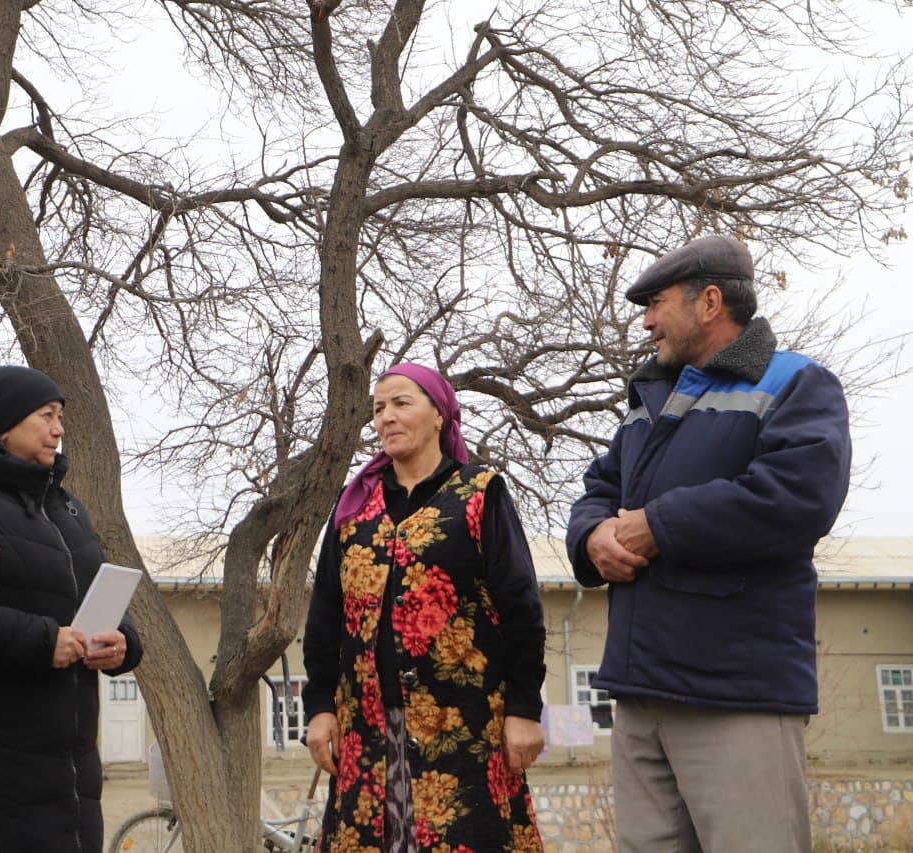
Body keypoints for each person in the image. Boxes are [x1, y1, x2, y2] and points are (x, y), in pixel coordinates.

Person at [566, 235, 852, 852]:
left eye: (656, 303)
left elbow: (797, 498)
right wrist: (591, 536)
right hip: (641, 693)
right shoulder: (648, 401)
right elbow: (599, 487)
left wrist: (657, 525)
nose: (645, 322)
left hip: (736, 694)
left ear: (710, 302)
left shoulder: (799, 382)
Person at [303, 363, 547, 852]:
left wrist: (524, 708)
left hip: (464, 732)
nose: (386, 417)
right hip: (365, 733)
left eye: (401, 403)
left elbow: (521, 610)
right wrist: (320, 707)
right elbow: (326, 615)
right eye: (378, 409)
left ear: (440, 415)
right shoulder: (353, 511)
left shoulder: (479, 495)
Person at [0, 365, 142, 853]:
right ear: (3, 425)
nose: (58, 429)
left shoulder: (66, 507)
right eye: (45, 415)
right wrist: (40, 642)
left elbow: (93, 593)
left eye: (59, 416)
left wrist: (122, 640)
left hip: (76, 767)